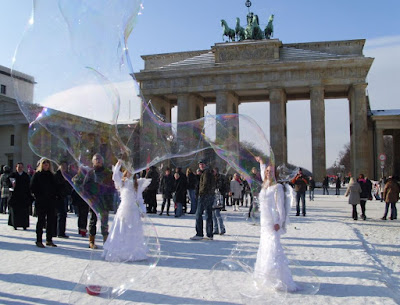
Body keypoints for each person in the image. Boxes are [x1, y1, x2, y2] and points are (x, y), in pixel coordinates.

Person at [253, 156, 297, 292]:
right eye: (267, 171)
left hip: (273, 222)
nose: (268, 173)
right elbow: (263, 174)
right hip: (264, 222)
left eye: (270, 171)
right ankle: (266, 277)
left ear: (275, 174)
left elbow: (281, 208)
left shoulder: (277, 187)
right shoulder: (265, 185)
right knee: (265, 247)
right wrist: (261, 163)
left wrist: (279, 222)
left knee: (273, 248)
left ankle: (278, 278)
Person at [103, 160, 151, 262]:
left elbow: (139, 199)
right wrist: (118, 164)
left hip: (133, 211)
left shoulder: (137, 184)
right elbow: (115, 175)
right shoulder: (122, 182)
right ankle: (120, 252)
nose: (130, 172)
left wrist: (142, 210)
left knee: (132, 231)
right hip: (123, 210)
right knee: (121, 229)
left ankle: (133, 252)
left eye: (132, 170)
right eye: (128, 170)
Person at [83, 153, 115, 249]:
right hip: (94, 200)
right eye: (96, 159)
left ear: (103, 161)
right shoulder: (91, 173)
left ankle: (106, 240)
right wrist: (90, 196)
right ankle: (91, 241)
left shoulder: (108, 173)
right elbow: (85, 186)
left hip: (105, 200)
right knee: (93, 220)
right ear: (93, 162)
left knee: (104, 221)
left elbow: (112, 186)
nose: (98, 160)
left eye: (100, 159)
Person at [30, 159, 58, 248]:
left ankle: (49, 239)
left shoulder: (52, 175)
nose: (46, 165)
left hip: (51, 201)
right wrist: (38, 195)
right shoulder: (37, 175)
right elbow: (32, 187)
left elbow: (55, 187)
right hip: (41, 201)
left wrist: (55, 196)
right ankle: (38, 240)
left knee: (51, 221)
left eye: (47, 164)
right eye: (44, 164)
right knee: (41, 220)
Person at [190, 160, 215, 241]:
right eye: (200, 164)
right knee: (208, 214)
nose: (201, 166)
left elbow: (205, 185)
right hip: (209, 195)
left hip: (205, 195)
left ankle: (199, 233)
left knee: (198, 214)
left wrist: (201, 194)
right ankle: (209, 234)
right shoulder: (207, 172)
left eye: (202, 164)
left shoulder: (206, 173)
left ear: (206, 165)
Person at [8, 163, 31, 231]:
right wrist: (12, 186)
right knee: (15, 212)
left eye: (21, 167)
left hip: (24, 196)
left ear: (23, 168)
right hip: (15, 196)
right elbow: (8, 184)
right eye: (18, 167)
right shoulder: (13, 175)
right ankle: (15, 224)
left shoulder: (26, 175)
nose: (20, 168)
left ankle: (24, 225)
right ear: (16, 167)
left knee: (24, 212)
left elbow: (28, 185)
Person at [54, 162, 71, 238]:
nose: (64, 167)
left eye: (65, 166)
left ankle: (61, 231)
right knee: (60, 214)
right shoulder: (57, 175)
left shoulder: (66, 175)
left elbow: (69, 187)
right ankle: (59, 232)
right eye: (63, 166)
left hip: (63, 197)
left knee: (63, 214)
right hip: (57, 197)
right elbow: (56, 186)